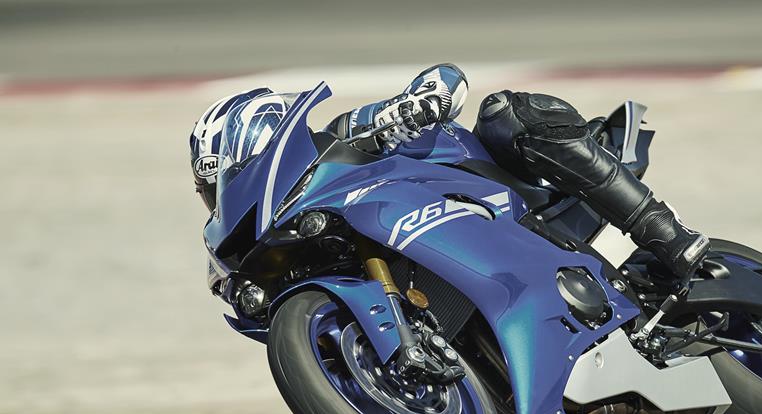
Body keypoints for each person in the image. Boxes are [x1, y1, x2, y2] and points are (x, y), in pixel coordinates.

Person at [190, 64, 708, 280]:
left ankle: (665, 232)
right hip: (452, 258)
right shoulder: (298, 230)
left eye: (226, 177)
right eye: (214, 192)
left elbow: (447, 79)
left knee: (507, 112)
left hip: (514, 196)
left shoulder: (342, 137)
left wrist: (417, 103)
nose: (226, 195)